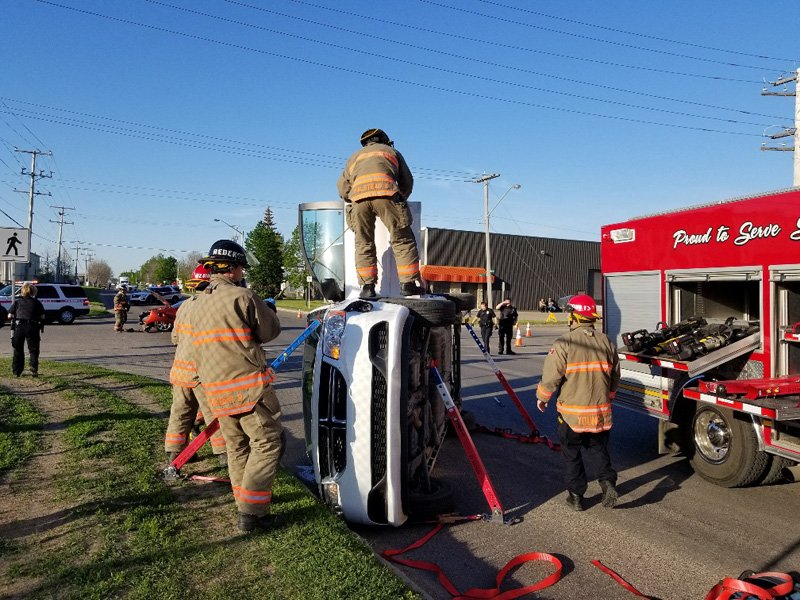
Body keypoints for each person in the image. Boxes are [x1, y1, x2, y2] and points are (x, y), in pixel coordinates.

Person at [188, 239, 283, 533]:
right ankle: (253, 514)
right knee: (266, 443)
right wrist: (267, 309)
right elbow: (269, 331)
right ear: (232, 267)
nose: (242, 272)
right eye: (241, 267)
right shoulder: (242, 297)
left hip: (215, 389)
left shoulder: (198, 303)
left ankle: (245, 506)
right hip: (247, 388)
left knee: (237, 446)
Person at [536, 294, 620, 511]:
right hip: (600, 412)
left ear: (574, 315)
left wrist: (543, 398)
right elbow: (615, 376)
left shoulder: (563, 343)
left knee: (572, 454)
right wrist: (609, 397)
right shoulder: (606, 342)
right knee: (599, 449)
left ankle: (576, 497)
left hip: (572, 415)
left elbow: (552, 376)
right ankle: (607, 481)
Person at [337, 128, 424, 299]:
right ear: (384, 140)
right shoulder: (392, 152)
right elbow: (407, 181)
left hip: (359, 201)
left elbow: (342, 189)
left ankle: (367, 287)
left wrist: (354, 197)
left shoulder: (354, 157)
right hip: (387, 196)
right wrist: (400, 199)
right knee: (402, 239)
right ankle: (408, 284)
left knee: (363, 243)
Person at [164, 265, 227, 467]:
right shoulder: (213, 306)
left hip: (181, 371)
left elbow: (175, 338)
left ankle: (176, 453)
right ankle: (224, 454)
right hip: (202, 372)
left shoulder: (185, 306)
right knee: (214, 414)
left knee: (180, 413)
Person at [8, 282, 45, 377]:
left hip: (19, 327)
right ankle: (33, 367)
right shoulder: (37, 302)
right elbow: (42, 316)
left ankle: (17, 371)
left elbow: (9, 315)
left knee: (18, 349)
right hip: (32, 327)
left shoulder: (17, 302)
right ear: (33, 292)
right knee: (33, 349)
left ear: (22, 291)